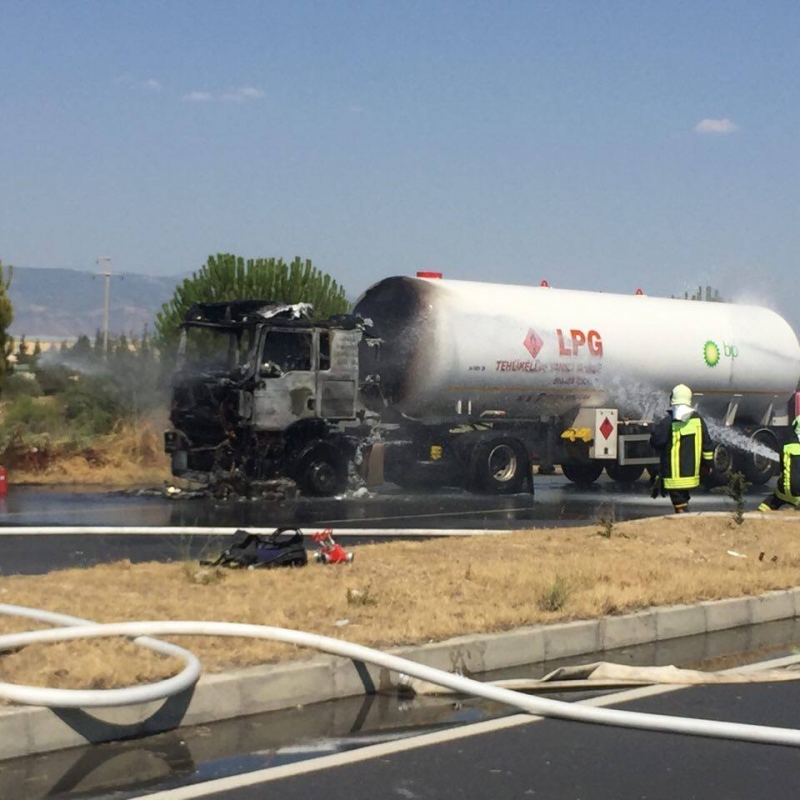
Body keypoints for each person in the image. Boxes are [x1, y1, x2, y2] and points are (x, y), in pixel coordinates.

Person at [649, 384, 714, 513]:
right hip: (691, 474)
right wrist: (708, 465)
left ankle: (683, 518)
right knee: (683, 497)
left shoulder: (669, 421)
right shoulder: (698, 419)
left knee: (679, 501)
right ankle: (684, 514)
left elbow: (656, 441)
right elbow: (707, 445)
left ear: (672, 399)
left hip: (673, 475)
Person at [758, 416, 800, 511]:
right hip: (798, 493)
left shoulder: (786, 446)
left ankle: (757, 516)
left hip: (784, 491)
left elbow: (783, 468)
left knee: (772, 501)